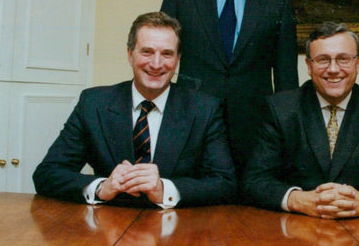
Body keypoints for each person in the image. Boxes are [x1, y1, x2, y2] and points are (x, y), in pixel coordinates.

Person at [33, 12, 237, 208]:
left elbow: (225, 184)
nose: (156, 64)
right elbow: (48, 173)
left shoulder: (204, 109)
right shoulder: (94, 104)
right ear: (130, 54)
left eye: (167, 54)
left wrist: (164, 190)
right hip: (107, 227)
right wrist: (102, 187)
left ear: (177, 59)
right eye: (147, 52)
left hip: (176, 231)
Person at [160, 0, 298, 172]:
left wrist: (285, 129)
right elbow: (162, 57)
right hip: (190, 117)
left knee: (249, 205)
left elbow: (286, 73)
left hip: (255, 125)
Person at [242, 22, 359, 218]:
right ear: (309, 66)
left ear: (358, 63)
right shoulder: (281, 109)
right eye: (322, 60)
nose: (333, 69)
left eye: (343, 59)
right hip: (297, 230)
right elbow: (254, 180)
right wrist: (297, 199)